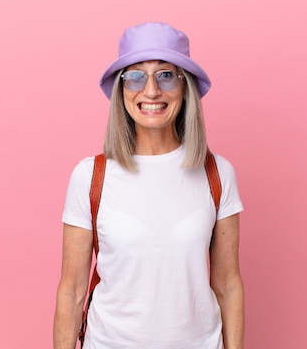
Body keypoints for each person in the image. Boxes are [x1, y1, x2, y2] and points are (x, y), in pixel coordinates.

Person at [53, 22, 244, 349]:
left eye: (166, 75)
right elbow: (71, 291)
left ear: (185, 88)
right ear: (121, 90)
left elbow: (227, 284)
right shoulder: (91, 176)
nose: (152, 91)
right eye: (136, 76)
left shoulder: (217, 172)